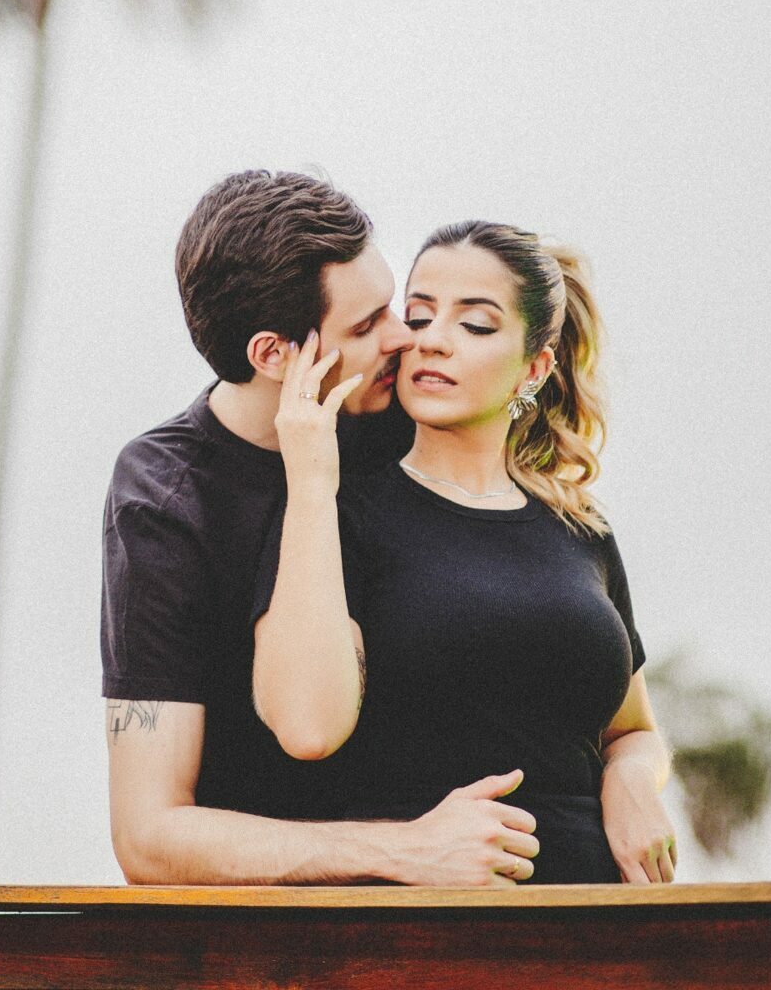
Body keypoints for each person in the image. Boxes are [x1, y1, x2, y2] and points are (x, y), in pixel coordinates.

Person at [102, 174, 541, 885]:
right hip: (289, 925)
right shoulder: (165, 497)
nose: (404, 337)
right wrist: (399, 852)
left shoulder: (407, 415)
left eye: (393, 306)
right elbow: (147, 837)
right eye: (365, 327)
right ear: (273, 355)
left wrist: (631, 762)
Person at [254, 220, 678, 885]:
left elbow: (633, 731)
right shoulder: (337, 515)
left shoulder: (579, 527)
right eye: (419, 316)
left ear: (534, 368)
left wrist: (629, 781)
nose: (431, 340)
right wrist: (309, 479)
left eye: (475, 325)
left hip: (601, 916)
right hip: (420, 917)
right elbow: (306, 727)